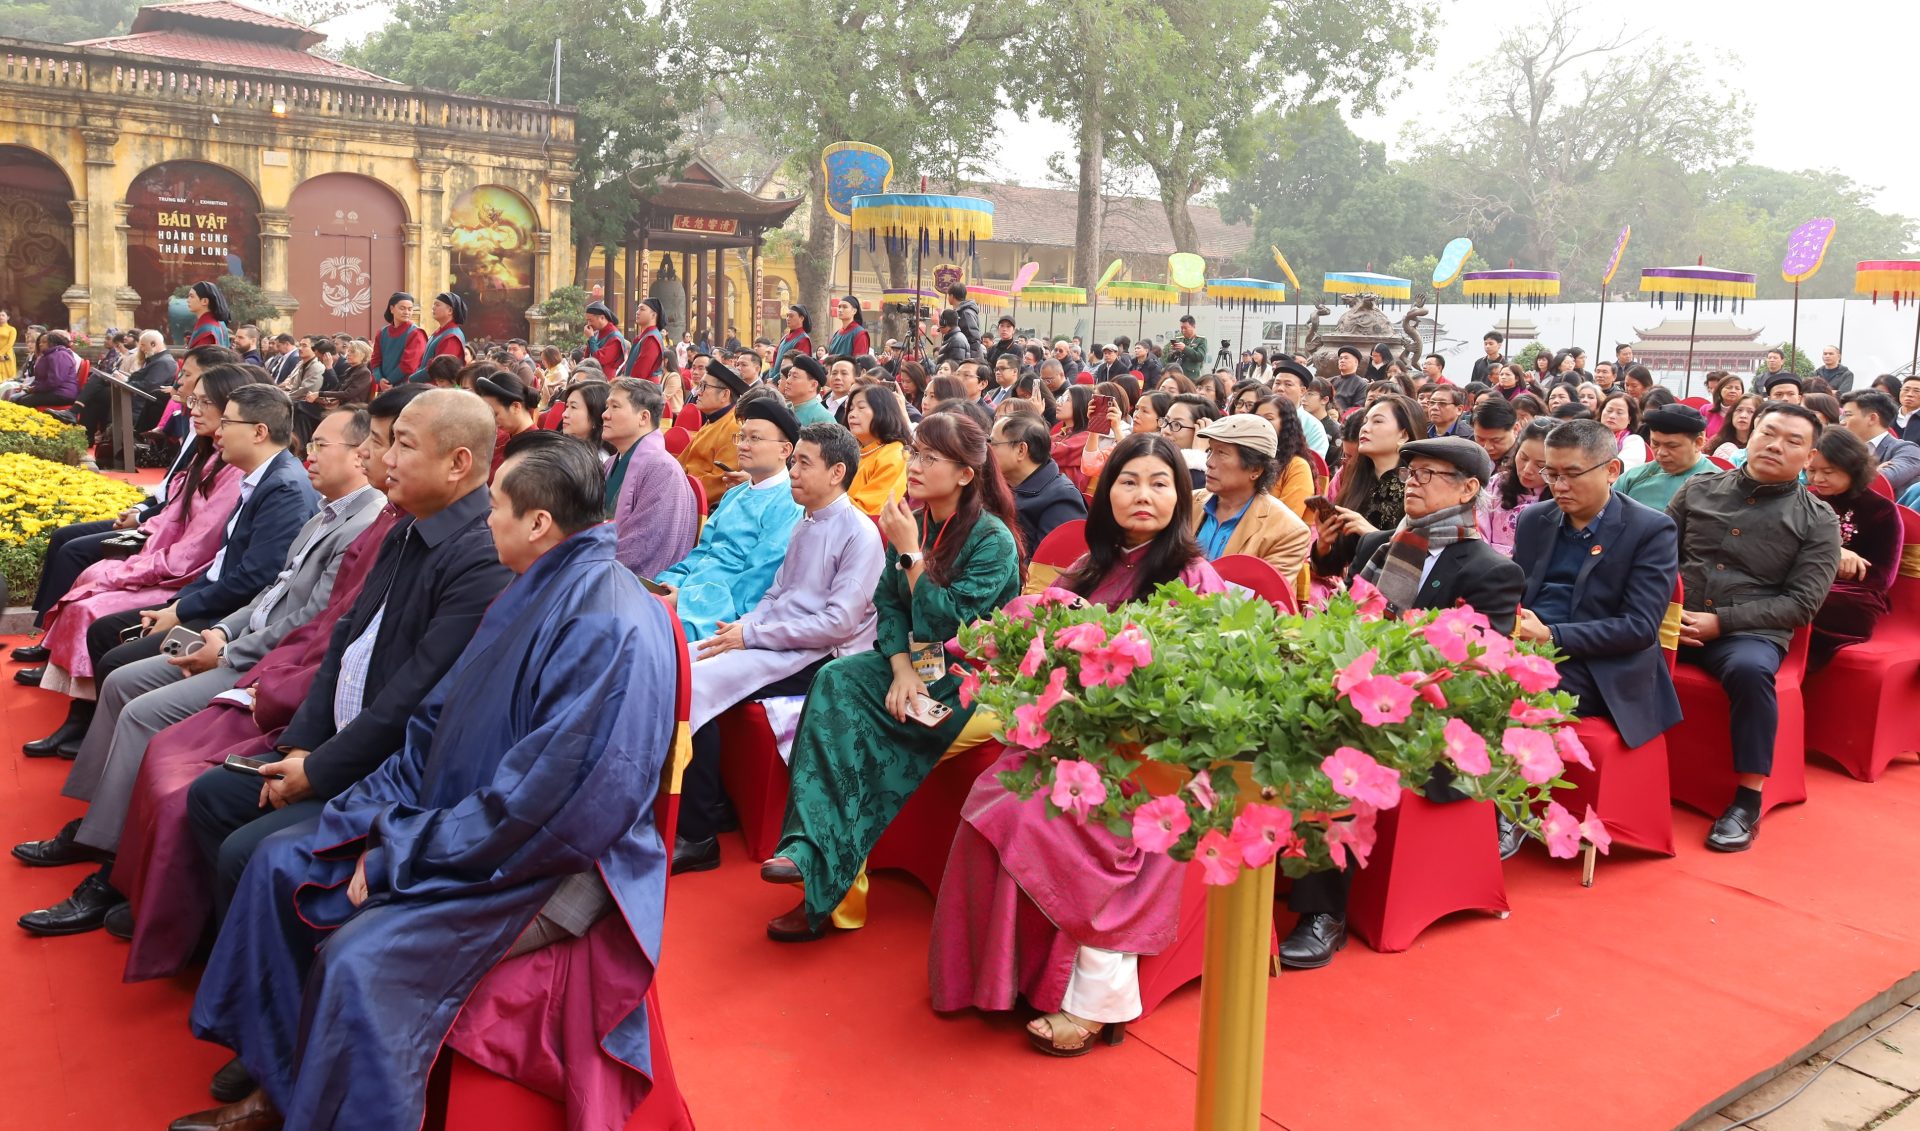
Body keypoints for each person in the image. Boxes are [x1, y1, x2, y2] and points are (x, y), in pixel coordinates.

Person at [172, 433, 677, 1131]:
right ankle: (282, 1079)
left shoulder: (607, 623)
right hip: (462, 819)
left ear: (538, 522)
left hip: (544, 863)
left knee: (360, 959)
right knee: (277, 863)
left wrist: (400, 852)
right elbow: (434, 724)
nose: (486, 520)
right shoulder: (535, 583)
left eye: (495, 506)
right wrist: (367, 813)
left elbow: (554, 807)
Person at [16, 407, 382, 938]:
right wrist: (222, 632)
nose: (309, 454)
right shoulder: (328, 510)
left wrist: (227, 648)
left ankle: (110, 860)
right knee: (121, 678)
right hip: (242, 637)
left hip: (271, 664)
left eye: (322, 445)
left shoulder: (356, 518)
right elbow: (271, 590)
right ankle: (99, 825)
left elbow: (309, 622)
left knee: (143, 711)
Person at [171, 391, 515, 945]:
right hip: (335, 743)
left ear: (458, 463)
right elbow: (343, 638)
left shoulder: (481, 557)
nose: (385, 459)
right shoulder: (406, 526)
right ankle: (233, 947)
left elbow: (413, 695)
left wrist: (319, 770)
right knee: (212, 795)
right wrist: (301, 745)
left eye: (402, 445)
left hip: (388, 772)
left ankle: (267, 974)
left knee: (248, 852)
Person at [929, 431, 1224, 1053]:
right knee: (996, 795)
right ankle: (1007, 975)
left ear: (1181, 497)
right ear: (1106, 491)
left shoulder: (1194, 578)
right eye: (1128, 481)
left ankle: (1096, 998)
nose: (1143, 495)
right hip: (1073, 742)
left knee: (1051, 819)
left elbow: (1201, 693)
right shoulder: (1093, 565)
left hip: (1150, 759)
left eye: (1160, 483)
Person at [761, 412, 1022, 941]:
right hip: (917, 664)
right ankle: (810, 855)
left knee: (858, 731)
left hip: (973, 677)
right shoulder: (914, 520)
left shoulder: (991, 540)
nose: (914, 465)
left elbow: (950, 625)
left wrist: (910, 554)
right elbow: (889, 605)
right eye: (914, 453)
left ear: (965, 474)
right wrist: (902, 668)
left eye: (929, 457)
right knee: (834, 679)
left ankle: (825, 886)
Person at [1283, 435, 1524, 969]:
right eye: (1411, 473)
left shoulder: (1490, 570)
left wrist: (1381, 683)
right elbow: (1344, 625)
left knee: (1336, 752)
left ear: (1468, 489)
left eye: (1429, 475)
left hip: (1429, 717)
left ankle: (1323, 914)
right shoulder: (1378, 545)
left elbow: (1473, 676)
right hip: (1354, 687)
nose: (1413, 483)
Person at [674, 422, 885, 873]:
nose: (793, 472)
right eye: (794, 462)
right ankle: (713, 805)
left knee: (692, 685)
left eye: (804, 463)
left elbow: (837, 624)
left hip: (820, 657)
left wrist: (752, 636)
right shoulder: (806, 521)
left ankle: (697, 835)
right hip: (777, 640)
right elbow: (777, 592)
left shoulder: (860, 534)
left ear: (837, 472)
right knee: (680, 662)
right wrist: (743, 626)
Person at [1667, 402, 1839, 851]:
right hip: (1675, 619)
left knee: (1750, 671)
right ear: (1750, 435)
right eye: (1768, 433)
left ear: (1810, 456)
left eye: (1792, 441)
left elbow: (1802, 604)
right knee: (1608, 643)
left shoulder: (1818, 520)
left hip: (1748, 632)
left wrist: (1721, 622)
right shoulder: (1698, 489)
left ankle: (1747, 800)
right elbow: (1655, 557)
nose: (1775, 446)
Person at [1511, 418, 1682, 751]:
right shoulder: (1535, 518)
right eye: (1552, 474)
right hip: (1530, 645)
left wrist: (1551, 635)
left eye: (1572, 475)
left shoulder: (1651, 530)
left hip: (1603, 666)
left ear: (1612, 470)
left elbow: (1639, 627)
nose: (1559, 486)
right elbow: (1516, 591)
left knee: (1510, 691)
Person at [657, 398, 806, 641]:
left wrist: (685, 601)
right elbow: (702, 552)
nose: (743, 446)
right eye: (742, 437)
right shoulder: (735, 494)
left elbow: (755, 583)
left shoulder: (790, 505)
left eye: (754, 438)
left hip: (721, 612)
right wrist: (667, 583)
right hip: (687, 593)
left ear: (785, 450)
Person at [1804, 425, 1901, 672]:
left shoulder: (1881, 510)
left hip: (1853, 595)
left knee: (1795, 600)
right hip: (1802, 579)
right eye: (1811, 470)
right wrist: (1832, 552)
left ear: (1852, 468)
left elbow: (1882, 577)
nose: (1818, 479)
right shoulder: (1805, 499)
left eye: (1828, 472)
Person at [1310, 394, 1423, 578]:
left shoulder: (1419, 487)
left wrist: (1373, 536)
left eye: (1377, 421)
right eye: (1365, 422)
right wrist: (1324, 544)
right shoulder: (1355, 481)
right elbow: (1332, 567)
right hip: (1354, 591)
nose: (1365, 428)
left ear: (1403, 434)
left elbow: (1424, 562)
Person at [1190, 414, 1311, 580]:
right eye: (1210, 451)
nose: (1209, 462)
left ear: (1256, 469)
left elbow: (1263, 593)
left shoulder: (1287, 531)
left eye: (1222, 453)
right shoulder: (1186, 503)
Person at [602, 377, 698, 578]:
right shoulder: (610, 463)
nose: (605, 415)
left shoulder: (663, 470)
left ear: (643, 417)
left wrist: (590, 566)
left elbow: (644, 546)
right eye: (606, 407)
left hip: (630, 582)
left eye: (615, 407)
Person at [994, 412, 1087, 557]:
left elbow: (1048, 565)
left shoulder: (1061, 499)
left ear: (1021, 450)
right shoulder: (998, 484)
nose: (987, 449)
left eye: (993, 443)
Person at [677, 356, 751, 505]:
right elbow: (681, 463)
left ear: (725, 394)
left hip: (696, 502)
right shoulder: (714, 420)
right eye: (699, 386)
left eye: (704, 387)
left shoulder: (734, 428)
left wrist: (677, 490)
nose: (698, 392)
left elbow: (721, 482)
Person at [1615, 403, 1716, 510]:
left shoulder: (1717, 484)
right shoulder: (1633, 478)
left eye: (1672, 446)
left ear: (1698, 443)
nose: (1661, 453)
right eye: (1655, 444)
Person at [1478, 418, 1553, 557]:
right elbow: (1479, 530)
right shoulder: (1496, 483)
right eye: (1523, 458)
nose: (1527, 469)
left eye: (1541, 465)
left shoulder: (1561, 497)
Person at [844, 383, 911, 515]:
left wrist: (826, 497)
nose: (852, 414)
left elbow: (871, 511)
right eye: (851, 409)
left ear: (883, 411)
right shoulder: (855, 450)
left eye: (861, 407)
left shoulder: (893, 455)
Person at [1838, 390, 1920, 496]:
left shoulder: (1907, 450)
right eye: (1842, 416)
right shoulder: (1840, 447)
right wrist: (1874, 472)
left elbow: (1883, 481)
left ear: (1872, 418)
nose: (1842, 422)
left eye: (1848, 415)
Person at [474, 369, 540, 477]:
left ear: (515, 407)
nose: (491, 420)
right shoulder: (509, 439)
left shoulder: (531, 451)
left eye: (495, 414)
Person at [369, 293, 427, 388]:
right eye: (402, 308)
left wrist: (388, 382)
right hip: (384, 386)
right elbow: (375, 360)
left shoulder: (416, 333)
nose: (406, 312)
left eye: (410, 309)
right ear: (392, 309)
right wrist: (379, 379)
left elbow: (409, 365)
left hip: (406, 387)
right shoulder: (382, 332)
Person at [781, 353, 835, 427]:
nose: (788, 381)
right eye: (789, 375)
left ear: (813, 385)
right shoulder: (785, 409)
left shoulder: (823, 419)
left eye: (795, 377)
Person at [623, 296, 669, 382]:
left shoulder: (651, 338)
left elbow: (640, 373)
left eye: (642, 309)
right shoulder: (646, 336)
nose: (637, 312)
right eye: (638, 309)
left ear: (653, 315)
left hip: (643, 388)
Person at [1598, 390, 1648, 467]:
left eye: (1619, 413)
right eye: (1609, 410)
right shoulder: (1590, 435)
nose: (1612, 416)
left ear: (1629, 419)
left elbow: (1622, 468)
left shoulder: (1633, 441)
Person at [1708, 394, 1762, 463]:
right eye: (1739, 410)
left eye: (1751, 411)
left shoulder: (1762, 446)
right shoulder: (1717, 441)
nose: (1743, 415)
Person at [184, 282, 232, 349]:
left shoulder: (207, 331)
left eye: (192, 296)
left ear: (205, 301)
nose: (188, 300)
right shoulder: (221, 323)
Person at [582, 300, 626, 374]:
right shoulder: (597, 333)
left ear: (602, 318)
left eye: (591, 320)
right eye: (587, 321)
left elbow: (600, 360)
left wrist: (591, 338)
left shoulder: (615, 337)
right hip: (594, 375)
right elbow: (587, 356)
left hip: (606, 377)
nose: (588, 324)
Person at [1472, 397, 1518, 466]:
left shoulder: (1522, 464)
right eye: (1480, 439)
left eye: (1496, 440)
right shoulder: (1469, 455)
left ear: (1515, 429)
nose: (1487, 447)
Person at [773, 304, 813, 372]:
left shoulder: (803, 339)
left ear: (801, 318)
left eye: (791, 316)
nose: (788, 318)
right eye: (787, 316)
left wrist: (775, 378)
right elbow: (775, 358)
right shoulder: (784, 337)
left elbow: (799, 366)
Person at [1330, 345, 1368, 413]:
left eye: (1346, 358)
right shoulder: (1332, 381)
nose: (1342, 360)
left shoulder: (1361, 384)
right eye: (1340, 358)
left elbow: (1357, 409)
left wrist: (1339, 415)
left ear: (1356, 362)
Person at [1168, 315, 1206, 380]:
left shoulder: (1200, 340)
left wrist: (1185, 348)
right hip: (1178, 375)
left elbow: (1200, 357)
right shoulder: (1179, 339)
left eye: (1185, 328)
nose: (1183, 330)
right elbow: (1169, 360)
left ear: (1193, 327)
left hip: (1191, 377)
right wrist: (1173, 352)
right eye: (1181, 328)